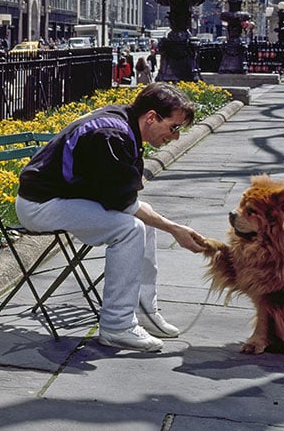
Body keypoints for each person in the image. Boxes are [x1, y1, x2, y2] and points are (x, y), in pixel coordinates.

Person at [15, 82, 210, 352]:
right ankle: (117, 326)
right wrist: (174, 229)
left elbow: (124, 199)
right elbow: (122, 203)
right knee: (130, 229)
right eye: (174, 128)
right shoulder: (111, 136)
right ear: (152, 118)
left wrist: (172, 227)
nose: (175, 137)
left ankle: (142, 310)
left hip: (63, 197)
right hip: (39, 206)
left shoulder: (123, 124)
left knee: (142, 223)